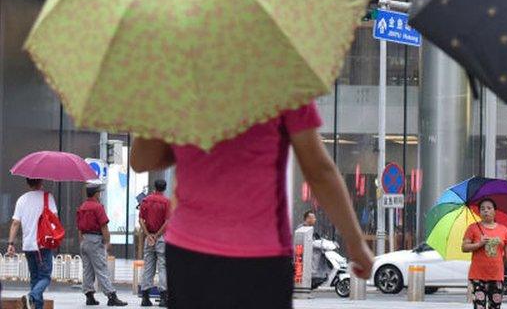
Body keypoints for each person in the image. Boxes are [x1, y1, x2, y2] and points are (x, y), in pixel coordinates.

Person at [130, 102, 374, 309]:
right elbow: (319, 171)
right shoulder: (281, 74)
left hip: (189, 253)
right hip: (260, 254)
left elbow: (141, 160)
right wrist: (354, 241)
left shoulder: (180, 79)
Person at [5, 178, 58, 309]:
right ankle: (32, 296)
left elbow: (15, 223)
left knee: (35, 278)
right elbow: (55, 219)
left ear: (28, 183)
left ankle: (35, 305)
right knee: (45, 277)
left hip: (28, 245)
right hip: (43, 244)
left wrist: (11, 243)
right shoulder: (47, 197)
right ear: (40, 182)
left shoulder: (21, 199)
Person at [461, 198, 507, 309]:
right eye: (482, 209)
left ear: (494, 211)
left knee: (495, 306)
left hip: (496, 276)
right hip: (477, 276)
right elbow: (464, 247)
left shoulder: (503, 229)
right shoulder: (472, 228)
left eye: (489, 208)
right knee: (479, 307)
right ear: (479, 212)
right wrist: (479, 244)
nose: (485, 211)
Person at [76, 183, 128, 306]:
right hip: (95, 240)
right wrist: (107, 241)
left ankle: (89, 296)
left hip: (84, 240)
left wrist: (81, 241)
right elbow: (104, 225)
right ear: (95, 194)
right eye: (99, 192)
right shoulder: (98, 207)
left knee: (87, 269)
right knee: (101, 268)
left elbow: (79, 228)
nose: (100, 194)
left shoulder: (82, 207)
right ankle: (111, 296)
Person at [139, 179, 171, 306]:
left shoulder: (146, 200)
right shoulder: (167, 202)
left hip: (149, 238)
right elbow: (167, 221)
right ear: (164, 188)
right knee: (162, 266)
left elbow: (141, 220)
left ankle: (145, 298)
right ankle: (163, 298)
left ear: (154, 187)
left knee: (148, 266)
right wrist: (157, 235)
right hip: (161, 237)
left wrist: (148, 235)